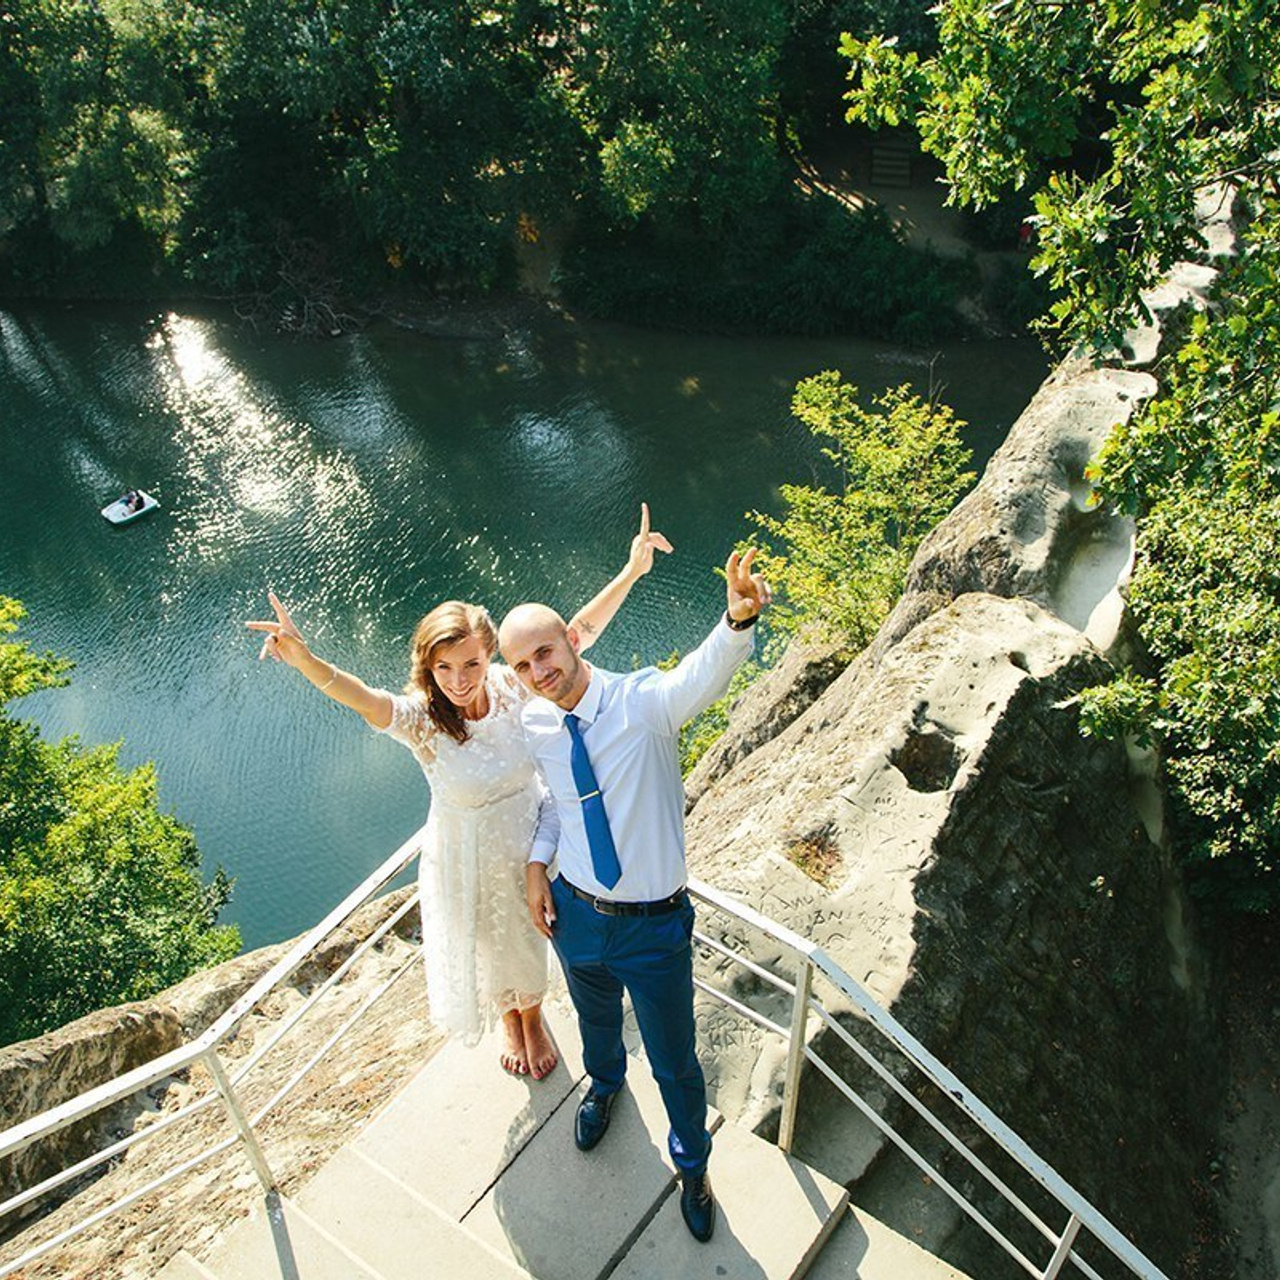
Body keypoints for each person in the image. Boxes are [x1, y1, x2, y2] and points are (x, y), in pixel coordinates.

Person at [245, 505, 672, 1079]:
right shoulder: (422, 719)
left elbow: (571, 636)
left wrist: (632, 570)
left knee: (529, 936)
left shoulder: (512, 686)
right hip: (464, 854)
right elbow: (361, 697)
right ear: (429, 667)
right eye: (443, 666)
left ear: (489, 655)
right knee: (488, 945)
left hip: (528, 845)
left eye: (469, 662)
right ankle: (510, 1019)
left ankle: (534, 1016)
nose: (458, 678)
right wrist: (303, 658)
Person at [498, 545, 770, 1243]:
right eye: (524, 665)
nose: (540, 672)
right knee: (594, 1022)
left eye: (546, 653)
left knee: (676, 1060)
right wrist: (537, 866)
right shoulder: (534, 722)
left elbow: (699, 678)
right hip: (576, 916)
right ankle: (605, 1083)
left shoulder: (641, 703)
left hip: (653, 928)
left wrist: (736, 621)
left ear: (572, 639)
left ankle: (692, 1165)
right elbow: (560, 804)